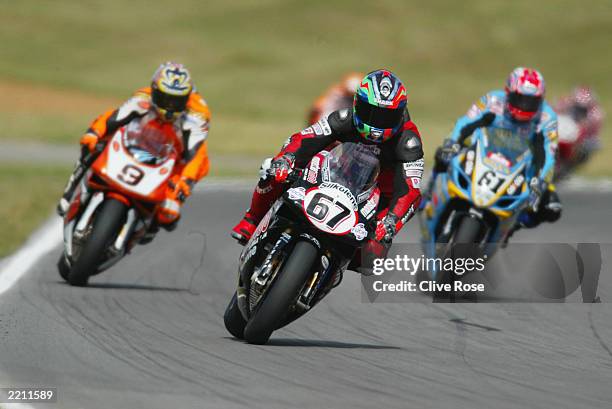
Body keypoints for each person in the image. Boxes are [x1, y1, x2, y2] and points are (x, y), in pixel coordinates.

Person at [232, 69, 424, 262]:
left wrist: (392, 221)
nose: (376, 125)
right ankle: (252, 220)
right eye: (370, 112)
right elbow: (305, 138)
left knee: (373, 254)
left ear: (400, 114)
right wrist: (287, 158)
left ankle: (331, 268)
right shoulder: (343, 118)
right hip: (336, 173)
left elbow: (410, 192)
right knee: (272, 171)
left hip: (379, 195)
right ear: (357, 104)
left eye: (385, 117)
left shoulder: (409, 142)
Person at [57, 62, 211, 231]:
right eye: (164, 98)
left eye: (176, 102)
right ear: (154, 90)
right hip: (140, 142)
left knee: (168, 214)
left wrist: (183, 186)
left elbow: (196, 156)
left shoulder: (197, 115)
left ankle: (154, 215)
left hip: (172, 154)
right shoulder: (144, 97)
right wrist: (94, 133)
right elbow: (113, 117)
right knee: (93, 142)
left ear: (187, 99)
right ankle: (72, 188)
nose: (169, 107)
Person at [429, 67, 562, 236]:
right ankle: (429, 194)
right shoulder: (492, 100)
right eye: (519, 99)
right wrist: (452, 142)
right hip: (482, 152)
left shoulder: (547, 117)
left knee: (552, 207)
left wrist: (540, 182)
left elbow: (548, 154)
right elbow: (465, 123)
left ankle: (512, 225)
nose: (524, 106)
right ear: (508, 92)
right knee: (443, 155)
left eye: (531, 102)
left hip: (523, 167)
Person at [554, 86, 604, 174]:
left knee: (585, 149)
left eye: (583, 109)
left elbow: (594, 136)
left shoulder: (595, 114)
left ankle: (569, 166)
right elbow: (554, 112)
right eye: (578, 107)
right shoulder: (566, 103)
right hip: (565, 133)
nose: (580, 110)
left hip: (582, 139)